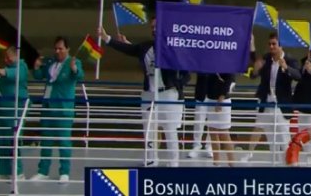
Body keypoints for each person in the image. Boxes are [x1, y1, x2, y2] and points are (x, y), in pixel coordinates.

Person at [98, 17, 189, 167]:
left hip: (168, 93)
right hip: (149, 93)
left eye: (157, 26)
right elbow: (129, 49)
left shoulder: (174, 48)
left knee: (170, 130)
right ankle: (151, 159)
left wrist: (176, 84)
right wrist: (107, 38)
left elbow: (186, 74)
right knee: (149, 128)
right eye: (152, 26)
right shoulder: (145, 47)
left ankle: (174, 162)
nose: (154, 29)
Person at [30, 37, 83, 183]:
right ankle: (43, 171)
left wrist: (74, 69)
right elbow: (39, 76)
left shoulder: (74, 62)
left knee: (64, 142)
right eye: (56, 48)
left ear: (67, 49)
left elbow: (80, 76)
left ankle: (64, 172)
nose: (57, 51)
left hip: (63, 109)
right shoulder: (50, 62)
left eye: (60, 48)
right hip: (47, 107)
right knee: (46, 141)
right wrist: (36, 67)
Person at [248, 32, 300, 163]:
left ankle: (289, 164)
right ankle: (274, 166)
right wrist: (255, 70)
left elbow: (298, 76)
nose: (271, 47)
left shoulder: (290, 60)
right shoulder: (266, 59)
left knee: (284, 137)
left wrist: (286, 67)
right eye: (269, 44)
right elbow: (254, 75)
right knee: (270, 137)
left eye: (274, 44)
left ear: (280, 46)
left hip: (281, 104)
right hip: (267, 102)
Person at [0, 46, 29, 180]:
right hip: (3, 111)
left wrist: (2, 71)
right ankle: (4, 171)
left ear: (16, 56)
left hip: (16, 110)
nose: (5, 60)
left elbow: (16, 75)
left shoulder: (22, 67)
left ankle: (18, 171)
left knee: (13, 141)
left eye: (8, 57)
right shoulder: (9, 68)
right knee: (2, 141)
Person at [204, 73, 236, 166]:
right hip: (210, 99)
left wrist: (221, 99)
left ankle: (232, 162)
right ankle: (216, 162)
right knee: (213, 132)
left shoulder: (226, 64)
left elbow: (229, 80)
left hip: (222, 100)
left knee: (224, 133)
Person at [188, 73, 214, 159]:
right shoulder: (201, 60)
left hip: (215, 95)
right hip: (201, 94)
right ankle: (196, 146)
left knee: (212, 123)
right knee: (198, 122)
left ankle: (209, 146)